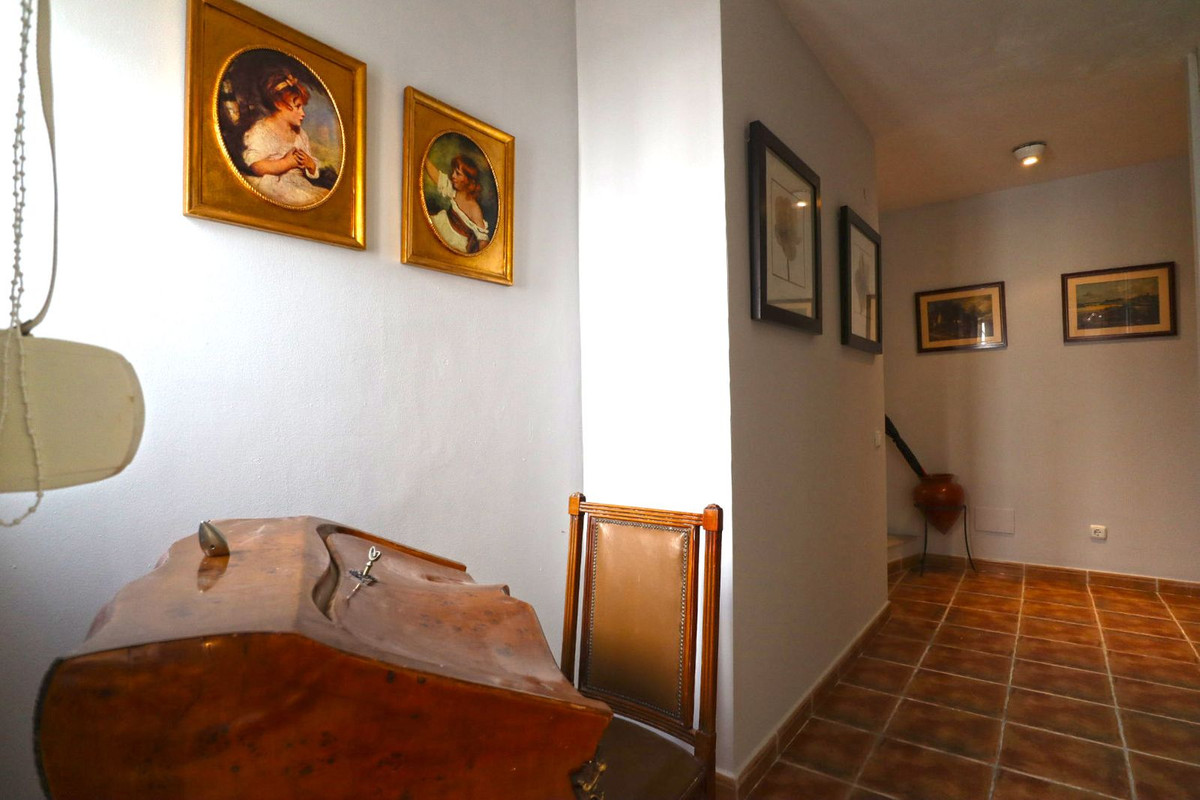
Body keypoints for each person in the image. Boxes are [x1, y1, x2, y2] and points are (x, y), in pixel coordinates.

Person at [242, 71, 328, 206]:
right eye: (298, 107)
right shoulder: (261, 130)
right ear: (279, 104)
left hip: (299, 184)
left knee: (324, 197)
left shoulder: (300, 134)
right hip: (276, 185)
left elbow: (309, 164)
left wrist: (310, 164)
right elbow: (256, 166)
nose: (303, 113)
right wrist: (286, 163)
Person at [424, 152, 490, 253]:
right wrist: (423, 158)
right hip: (443, 224)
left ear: (468, 180)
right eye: (454, 171)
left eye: (458, 174)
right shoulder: (455, 191)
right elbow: (437, 177)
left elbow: (483, 239)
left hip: (457, 241)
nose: (453, 176)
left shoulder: (474, 209)